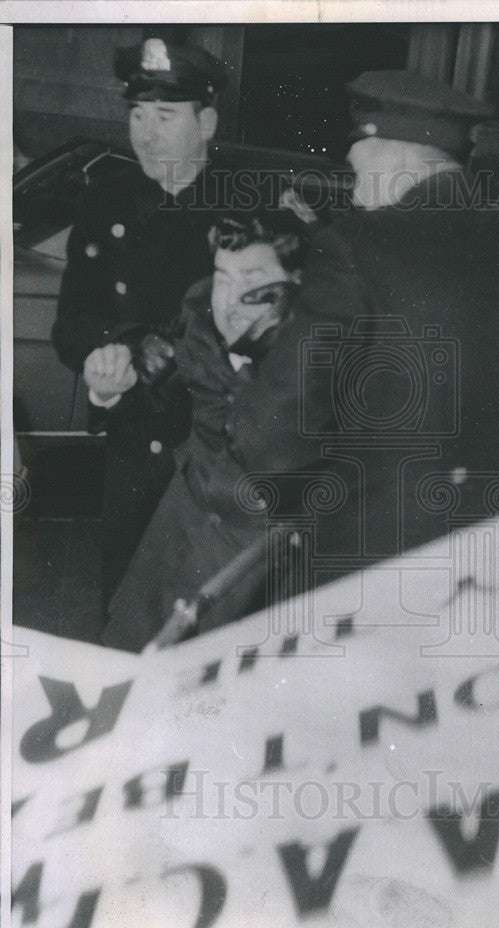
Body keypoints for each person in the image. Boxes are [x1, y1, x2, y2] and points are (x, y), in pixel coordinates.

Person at [101, 69, 499, 652]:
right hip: (496, 561)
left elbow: (273, 442)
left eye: (358, 170)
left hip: (369, 574)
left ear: (387, 155)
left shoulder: (357, 247)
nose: (354, 190)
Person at [51, 35, 228, 605]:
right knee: (126, 602)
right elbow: (74, 317)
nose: (145, 133)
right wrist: (106, 357)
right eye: (136, 114)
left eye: (166, 116)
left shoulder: (251, 206)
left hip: (216, 451)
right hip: (135, 447)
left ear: (207, 124)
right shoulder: (105, 200)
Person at [101, 212, 311, 651]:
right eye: (222, 277)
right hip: (183, 527)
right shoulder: (199, 317)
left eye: (252, 278)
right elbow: (155, 380)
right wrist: (111, 386)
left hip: (261, 554)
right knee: (128, 650)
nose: (229, 299)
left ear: (295, 281)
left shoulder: (316, 353)